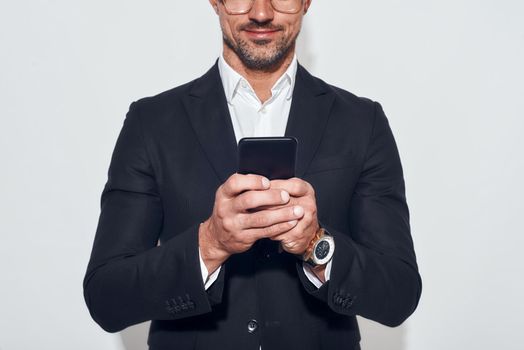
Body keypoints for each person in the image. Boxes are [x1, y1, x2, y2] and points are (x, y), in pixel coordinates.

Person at [83, 0, 422, 349]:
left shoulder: (361, 123)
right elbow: (107, 298)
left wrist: (315, 245)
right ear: (215, 2)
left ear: (306, 2)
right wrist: (210, 244)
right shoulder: (151, 124)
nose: (261, 12)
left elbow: (398, 296)